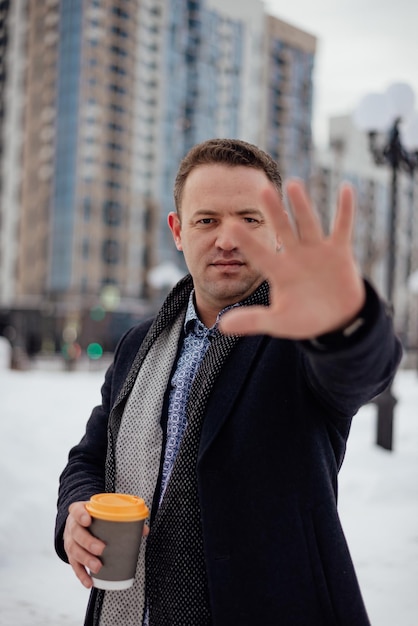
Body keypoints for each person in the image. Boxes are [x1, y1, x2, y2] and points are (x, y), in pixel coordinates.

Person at [55, 138, 402, 626]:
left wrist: (346, 321)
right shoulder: (140, 344)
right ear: (178, 231)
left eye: (250, 219)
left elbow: (361, 370)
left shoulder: (302, 337)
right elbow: (90, 458)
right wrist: (76, 512)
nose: (227, 239)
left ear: (278, 231)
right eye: (207, 220)